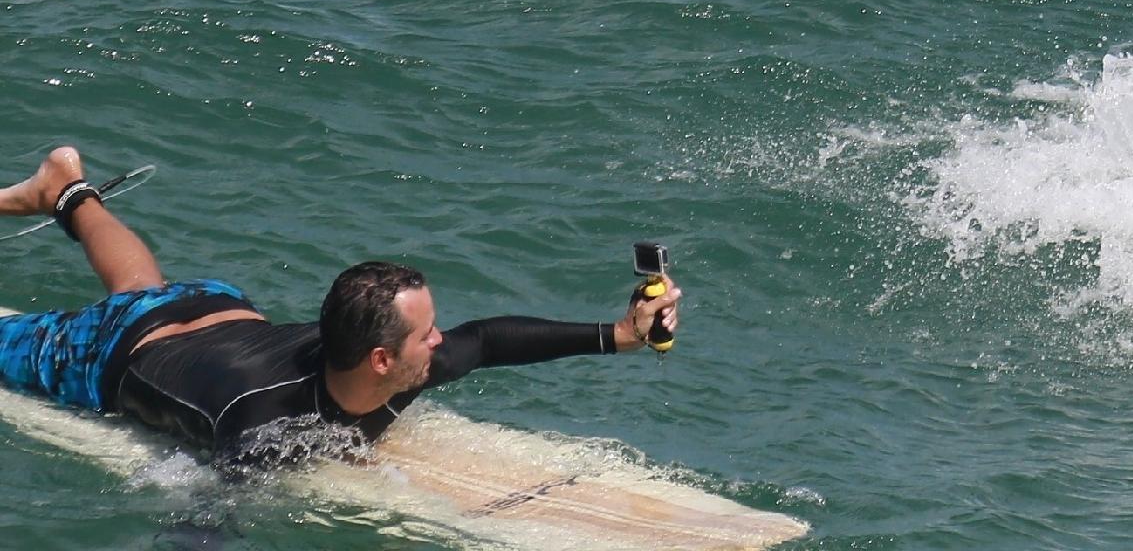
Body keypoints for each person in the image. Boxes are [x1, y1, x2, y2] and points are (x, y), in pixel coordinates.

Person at [0, 146, 681, 469]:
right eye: (426, 334)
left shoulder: (401, 362)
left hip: (208, 312)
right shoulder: (264, 425)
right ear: (382, 358)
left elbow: (492, 339)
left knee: (141, 289)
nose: (441, 341)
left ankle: (69, 190)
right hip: (122, 349)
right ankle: (67, 189)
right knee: (125, 300)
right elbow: (207, 514)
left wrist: (623, 333)